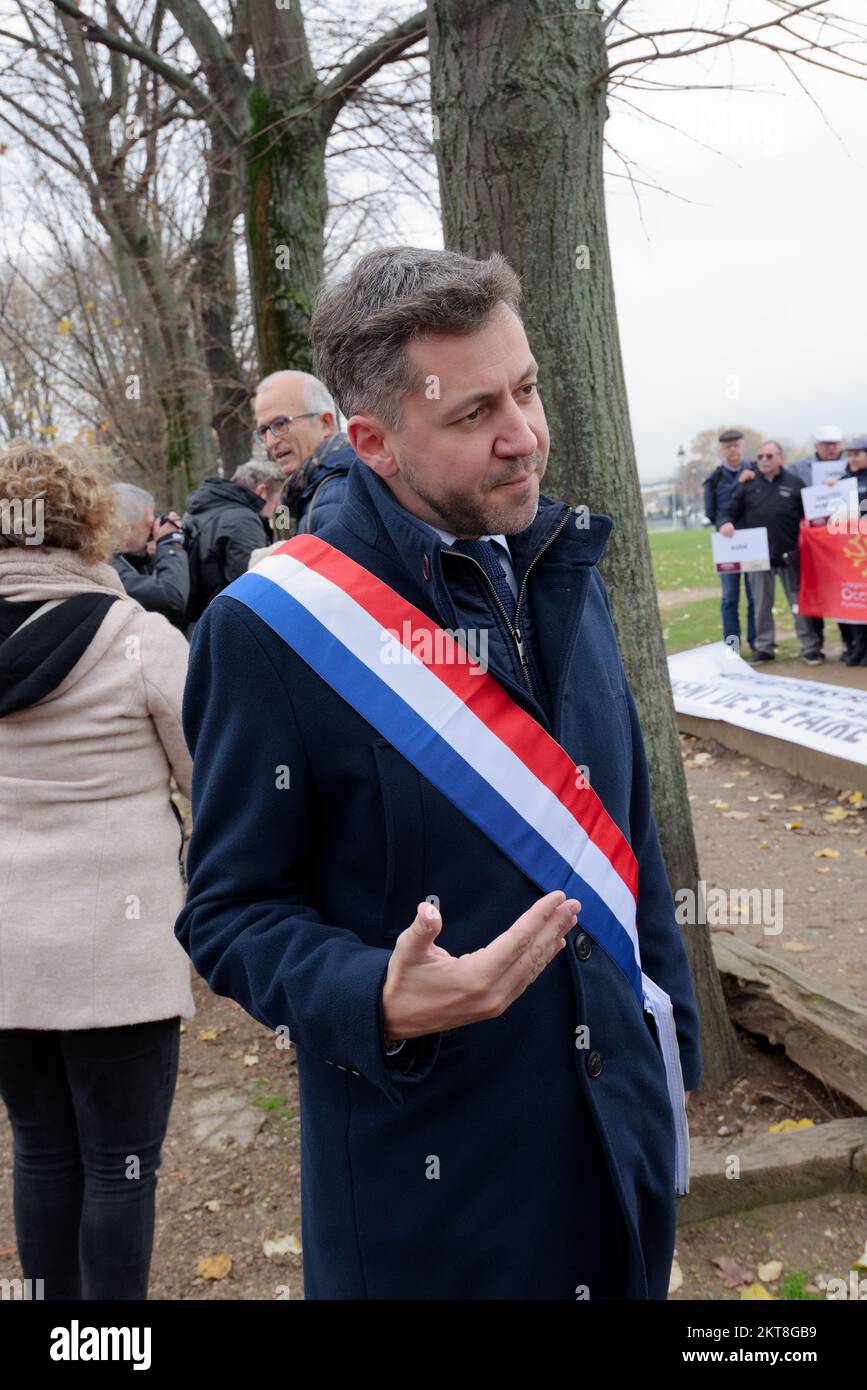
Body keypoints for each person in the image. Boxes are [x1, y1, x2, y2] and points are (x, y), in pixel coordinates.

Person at [176, 246, 702, 1302]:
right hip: (437, 1193)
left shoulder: (562, 561)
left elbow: (624, 832)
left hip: (619, 1155)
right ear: (370, 441)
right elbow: (228, 912)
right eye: (473, 415)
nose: (525, 437)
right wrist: (372, 992)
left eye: (528, 388)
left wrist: (670, 1058)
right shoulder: (271, 634)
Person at [0, 440, 195, 1300]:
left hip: (9, 958)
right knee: (118, 1167)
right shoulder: (139, 639)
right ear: (88, 528)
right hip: (123, 954)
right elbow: (212, 779)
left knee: (41, 1153)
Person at [719, 440, 820, 664]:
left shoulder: (795, 484)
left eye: (769, 456)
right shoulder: (748, 484)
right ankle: (764, 647)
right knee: (761, 603)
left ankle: (810, 646)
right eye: (760, 456)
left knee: (798, 603)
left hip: (789, 554)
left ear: (780, 459)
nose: (763, 460)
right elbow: (729, 511)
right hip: (757, 556)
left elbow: (811, 516)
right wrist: (726, 523)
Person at [253, 370, 356, 536]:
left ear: (325, 424)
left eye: (280, 424)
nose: (271, 442)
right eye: (264, 431)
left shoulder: (342, 494)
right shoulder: (292, 495)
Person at [774, 426, 846, 659]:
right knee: (811, 589)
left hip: (844, 540)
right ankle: (815, 644)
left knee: (844, 589)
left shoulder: (850, 465)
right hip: (811, 542)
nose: (830, 448)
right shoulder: (797, 469)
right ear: (816, 446)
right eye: (825, 444)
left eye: (834, 444)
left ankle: (851, 643)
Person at [183, 460, 283, 622]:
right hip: (225, 624)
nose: (274, 512)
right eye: (277, 502)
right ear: (262, 492)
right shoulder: (243, 521)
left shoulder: (203, 509)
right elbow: (252, 588)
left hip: (198, 620)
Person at [703, 429, 756, 654]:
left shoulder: (756, 470)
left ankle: (758, 643)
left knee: (756, 597)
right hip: (728, 545)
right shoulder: (714, 479)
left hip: (754, 543)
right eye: (728, 447)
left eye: (736, 445)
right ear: (721, 449)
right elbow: (711, 512)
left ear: (743, 447)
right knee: (730, 597)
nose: (733, 450)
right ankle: (732, 647)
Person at [110, 482, 189, 630]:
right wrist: (169, 545)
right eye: (149, 524)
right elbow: (172, 599)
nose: (153, 531)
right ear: (125, 527)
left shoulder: (131, 559)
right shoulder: (109, 569)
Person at [837, 436, 867, 665]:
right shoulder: (843, 481)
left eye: (857, 454)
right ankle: (855, 646)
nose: (853, 459)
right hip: (851, 551)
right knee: (853, 598)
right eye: (850, 454)